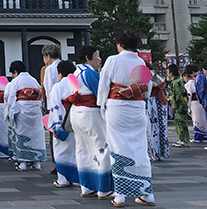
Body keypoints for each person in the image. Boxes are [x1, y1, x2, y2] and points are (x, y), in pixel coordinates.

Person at [97, 27, 155, 207]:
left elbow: (103, 84)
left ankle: (120, 195)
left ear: (119, 44)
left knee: (118, 147)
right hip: (137, 106)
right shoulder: (141, 62)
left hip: (117, 106)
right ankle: (147, 194)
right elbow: (148, 88)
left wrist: (101, 105)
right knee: (139, 147)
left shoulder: (112, 60)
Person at [69, 46, 112, 200]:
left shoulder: (75, 72)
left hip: (77, 114)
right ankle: (104, 188)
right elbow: (101, 96)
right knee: (102, 147)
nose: (100, 59)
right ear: (88, 58)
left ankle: (87, 186)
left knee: (83, 149)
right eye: (97, 56)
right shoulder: (90, 73)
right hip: (91, 114)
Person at [4, 60, 46, 171]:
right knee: (36, 134)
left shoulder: (16, 81)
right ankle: (37, 162)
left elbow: (10, 97)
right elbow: (40, 95)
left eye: (13, 73)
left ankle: (22, 162)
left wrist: (10, 112)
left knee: (21, 134)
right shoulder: (33, 80)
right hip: (35, 108)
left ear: (16, 72)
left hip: (22, 109)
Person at [48, 60, 79, 187]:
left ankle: (62, 179)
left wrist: (57, 124)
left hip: (64, 120)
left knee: (61, 150)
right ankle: (76, 179)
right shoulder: (78, 84)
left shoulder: (58, 86)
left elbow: (55, 106)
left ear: (59, 74)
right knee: (76, 150)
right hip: (77, 119)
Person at [42, 44, 61, 174]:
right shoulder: (68, 64)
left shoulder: (49, 69)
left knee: (54, 135)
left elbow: (48, 89)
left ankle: (57, 163)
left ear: (48, 56)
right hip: (67, 104)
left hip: (54, 105)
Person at [146, 65, 169, 161]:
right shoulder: (157, 75)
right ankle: (162, 152)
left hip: (151, 102)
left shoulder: (146, 74)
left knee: (151, 128)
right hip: (160, 102)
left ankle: (154, 153)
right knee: (161, 127)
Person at [184, 64, 207, 143]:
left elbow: (190, 95)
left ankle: (198, 136)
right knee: (203, 119)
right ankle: (206, 135)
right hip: (202, 101)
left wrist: (188, 106)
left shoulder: (195, 80)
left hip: (195, 102)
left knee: (197, 120)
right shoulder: (203, 76)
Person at [167, 64, 189, 147]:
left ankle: (183, 139)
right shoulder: (178, 81)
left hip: (179, 106)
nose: (167, 74)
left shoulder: (175, 83)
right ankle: (183, 139)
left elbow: (176, 95)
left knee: (180, 122)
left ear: (171, 73)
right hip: (182, 104)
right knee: (181, 122)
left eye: (168, 72)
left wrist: (174, 106)